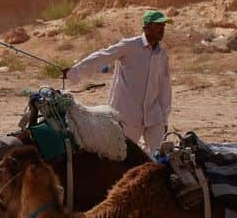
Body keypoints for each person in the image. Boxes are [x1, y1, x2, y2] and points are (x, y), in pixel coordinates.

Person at [62, 10, 173, 155]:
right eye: (158, 25)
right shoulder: (130, 46)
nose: (162, 28)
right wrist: (74, 72)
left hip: (154, 116)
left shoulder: (161, 54)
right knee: (123, 156)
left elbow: (165, 86)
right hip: (127, 116)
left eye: (163, 25)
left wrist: (164, 119)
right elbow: (102, 57)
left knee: (157, 157)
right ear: (147, 27)